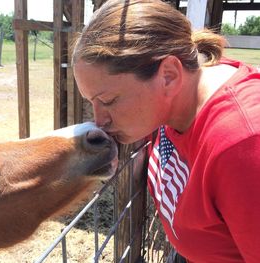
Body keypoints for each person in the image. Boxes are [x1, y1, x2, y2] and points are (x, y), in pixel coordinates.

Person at [71, 0, 260, 262]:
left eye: (109, 101)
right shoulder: (173, 105)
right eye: (92, 102)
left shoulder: (244, 146)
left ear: (169, 75)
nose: (99, 120)